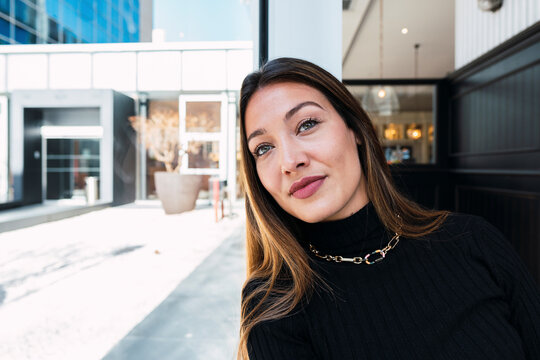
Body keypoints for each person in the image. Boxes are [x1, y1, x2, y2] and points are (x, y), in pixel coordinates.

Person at [237, 57, 540, 360]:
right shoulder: (273, 304)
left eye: (306, 124)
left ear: (354, 128)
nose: (290, 161)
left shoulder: (473, 241)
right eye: (264, 148)